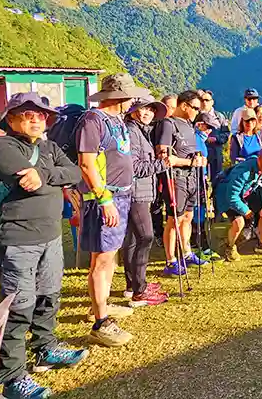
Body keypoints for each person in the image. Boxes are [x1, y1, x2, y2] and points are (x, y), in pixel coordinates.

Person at [0, 92, 86, 399]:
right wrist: (53, 177)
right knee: (18, 306)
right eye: (27, 114)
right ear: (11, 119)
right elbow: (34, 184)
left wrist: (42, 174)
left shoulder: (49, 146)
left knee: (49, 295)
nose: (36, 119)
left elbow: (75, 172)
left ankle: (46, 348)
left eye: (40, 115)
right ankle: (12, 378)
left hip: (50, 235)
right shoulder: (0, 148)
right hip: (17, 239)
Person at [76, 73, 148, 347]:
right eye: (130, 95)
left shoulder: (116, 121)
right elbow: (86, 163)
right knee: (102, 257)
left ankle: (101, 305)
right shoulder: (92, 121)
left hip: (121, 196)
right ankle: (100, 322)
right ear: (119, 96)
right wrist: (104, 199)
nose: (133, 100)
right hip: (104, 199)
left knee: (110, 256)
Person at [122, 94, 170, 307]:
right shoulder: (133, 132)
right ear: (133, 111)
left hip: (139, 193)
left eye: (151, 110)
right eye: (143, 109)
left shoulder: (139, 131)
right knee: (146, 237)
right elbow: (134, 167)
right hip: (136, 194)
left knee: (132, 239)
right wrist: (162, 165)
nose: (147, 113)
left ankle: (133, 285)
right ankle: (139, 291)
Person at [156, 90, 210, 276]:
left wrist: (198, 160)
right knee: (174, 219)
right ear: (184, 105)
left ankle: (186, 253)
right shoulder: (167, 124)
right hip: (175, 178)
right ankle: (170, 260)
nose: (197, 111)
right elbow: (163, 155)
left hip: (191, 177)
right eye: (195, 107)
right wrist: (189, 162)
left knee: (188, 216)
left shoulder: (188, 124)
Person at [215, 146, 262, 261]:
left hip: (245, 195)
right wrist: (246, 211)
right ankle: (229, 247)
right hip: (225, 197)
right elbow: (231, 196)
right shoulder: (243, 171)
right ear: (259, 159)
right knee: (239, 222)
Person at [191, 112, 218, 260]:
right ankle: (199, 246)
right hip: (194, 180)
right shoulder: (195, 138)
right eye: (207, 127)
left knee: (200, 212)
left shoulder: (201, 139)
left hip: (201, 179)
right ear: (199, 124)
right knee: (197, 213)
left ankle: (200, 245)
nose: (209, 131)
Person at [198, 89, 229, 182]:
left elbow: (226, 134)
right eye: (202, 100)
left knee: (217, 179)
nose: (204, 102)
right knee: (200, 181)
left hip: (216, 153)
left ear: (212, 102)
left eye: (207, 100)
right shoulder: (195, 116)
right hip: (200, 154)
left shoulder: (220, 117)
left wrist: (216, 138)